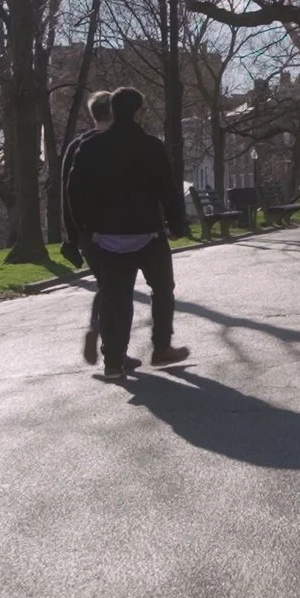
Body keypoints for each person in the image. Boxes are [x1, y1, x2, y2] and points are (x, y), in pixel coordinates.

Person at [62, 86, 190, 380]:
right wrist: (176, 224)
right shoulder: (151, 146)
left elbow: (73, 191)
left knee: (115, 298)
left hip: (108, 237)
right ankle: (161, 347)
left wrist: (84, 228)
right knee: (162, 288)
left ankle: (114, 362)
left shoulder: (89, 148)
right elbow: (166, 191)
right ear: (136, 112)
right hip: (147, 233)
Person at [60, 90, 114, 365]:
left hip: (85, 231)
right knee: (114, 287)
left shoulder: (76, 145)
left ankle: (99, 334)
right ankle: (109, 345)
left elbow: (66, 192)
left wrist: (71, 236)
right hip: (113, 228)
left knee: (107, 285)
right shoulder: (114, 144)